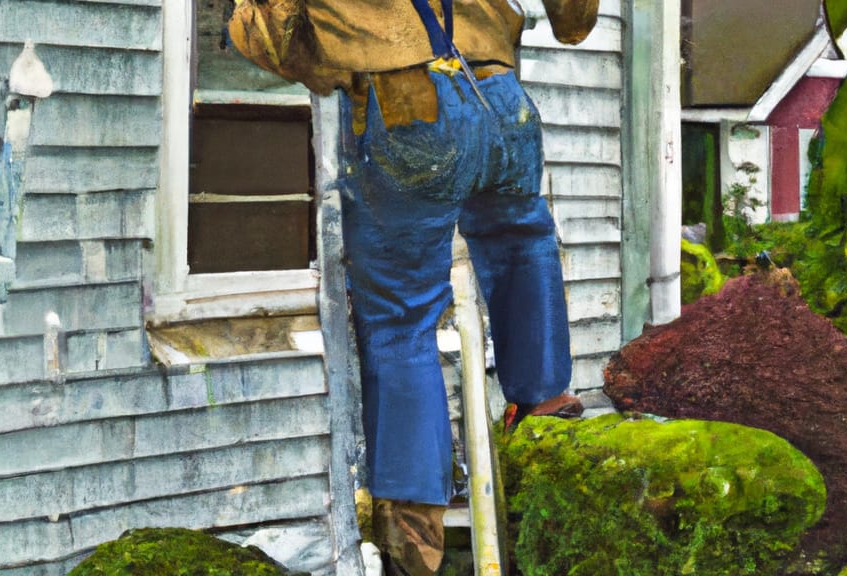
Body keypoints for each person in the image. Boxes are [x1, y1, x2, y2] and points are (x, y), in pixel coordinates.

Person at [234, 1, 598, 573]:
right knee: (521, 238)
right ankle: (544, 398)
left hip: (410, 102)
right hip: (501, 96)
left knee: (401, 318)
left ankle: (415, 529)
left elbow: (274, 41)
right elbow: (574, 21)